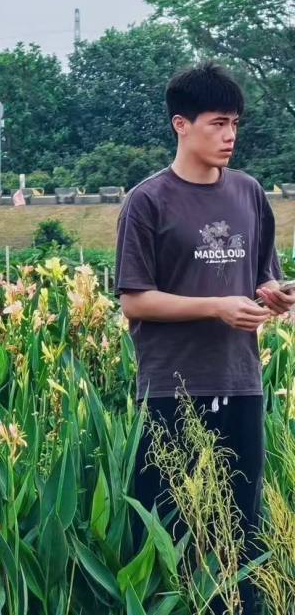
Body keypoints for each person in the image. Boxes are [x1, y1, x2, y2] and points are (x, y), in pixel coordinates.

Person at [116, 62, 295, 615]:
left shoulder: (248, 193)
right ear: (181, 124)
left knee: (242, 531)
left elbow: (261, 276)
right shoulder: (148, 201)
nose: (229, 135)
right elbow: (134, 300)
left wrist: (274, 294)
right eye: (218, 123)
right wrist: (216, 306)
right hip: (172, 389)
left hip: (241, 382)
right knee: (171, 530)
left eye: (234, 123)